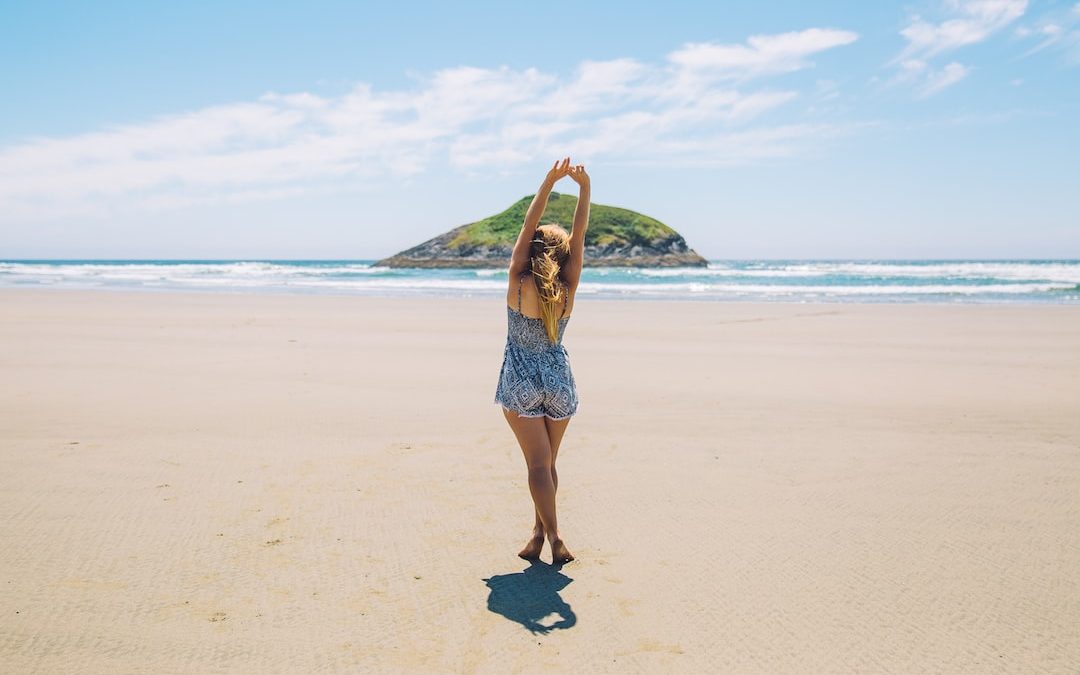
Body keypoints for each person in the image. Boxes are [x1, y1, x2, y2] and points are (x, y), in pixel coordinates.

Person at [494, 156, 590, 564]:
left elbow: (525, 229)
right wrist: (585, 189)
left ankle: (554, 537)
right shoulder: (567, 287)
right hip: (558, 380)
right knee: (548, 466)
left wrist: (548, 183)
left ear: (532, 250)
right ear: (564, 256)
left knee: (537, 465)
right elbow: (580, 237)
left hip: (521, 379)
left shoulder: (518, 281)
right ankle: (537, 534)